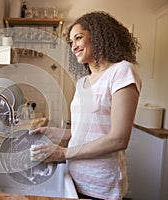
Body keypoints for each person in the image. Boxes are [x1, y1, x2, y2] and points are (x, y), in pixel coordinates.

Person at [30, 11, 141, 200]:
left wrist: (63, 153)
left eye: (78, 38)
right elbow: (84, 133)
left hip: (101, 186)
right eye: (71, 42)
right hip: (73, 180)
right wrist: (54, 132)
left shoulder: (122, 72)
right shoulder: (83, 83)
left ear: (97, 37)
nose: (73, 47)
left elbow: (119, 139)